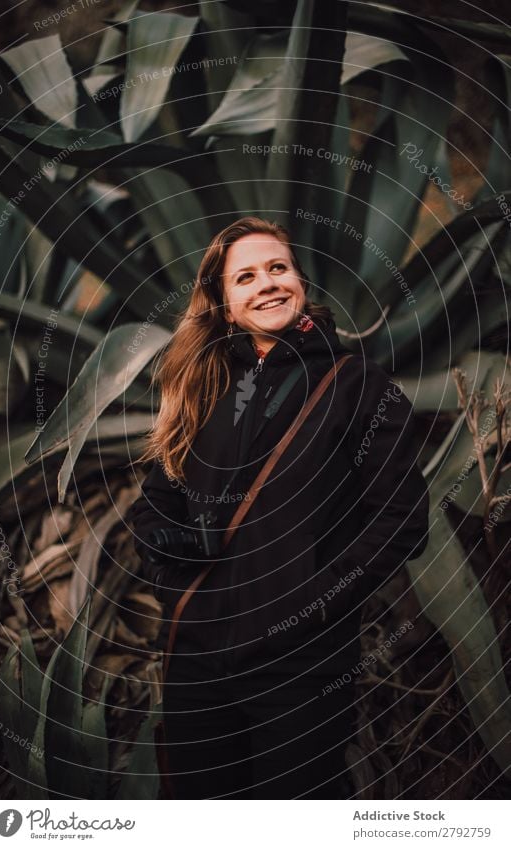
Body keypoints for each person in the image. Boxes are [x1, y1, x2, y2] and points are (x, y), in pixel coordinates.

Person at [128, 216, 429, 799]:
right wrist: (166, 558)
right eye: (245, 277)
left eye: (278, 268)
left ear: (300, 283)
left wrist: (309, 607)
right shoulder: (206, 384)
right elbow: (158, 499)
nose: (266, 283)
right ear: (225, 304)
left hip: (301, 666)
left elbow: (402, 521)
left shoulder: (358, 386)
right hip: (196, 657)